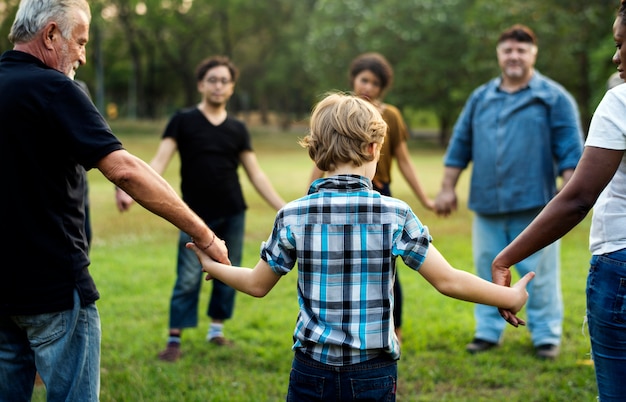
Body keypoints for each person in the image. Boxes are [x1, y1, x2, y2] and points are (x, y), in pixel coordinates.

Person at [188, 92, 534, 402]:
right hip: (372, 372)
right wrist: (510, 297)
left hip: (311, 370)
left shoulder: (292, 215)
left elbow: (255, 284)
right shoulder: (395, 214)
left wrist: (212, 265)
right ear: (372, 149)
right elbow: (448, 281)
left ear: (316, 152)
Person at [0, 1, 229, 400]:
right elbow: (124, 170)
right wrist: (205, 236)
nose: (83, 57)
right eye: (81, 42)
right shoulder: (55, 88)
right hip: (53, 289)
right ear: (51, 34)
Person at [492, 3, 626, 399]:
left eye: (621, 44)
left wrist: (506, 258)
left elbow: (578, 199)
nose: (616, 56)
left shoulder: (620, 102)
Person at [115, 56, 285, 362]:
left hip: (232, 211)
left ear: (232, 87)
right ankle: (173, 339)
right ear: (200, 84)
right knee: (188, 276)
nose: (218, 86)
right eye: (212, 80)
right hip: (192, 216)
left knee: (228, 273)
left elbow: (255, 173)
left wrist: (283, 208)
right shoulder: (182, 121)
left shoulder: (237, 128)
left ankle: (216, 331)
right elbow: (159, 162)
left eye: (224, 81)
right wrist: (131, 189)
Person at [434, 24, 584, 359]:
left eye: (521, 50)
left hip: (536, 207)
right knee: (486, 269)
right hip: (487, 203)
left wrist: (570, 193)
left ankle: (546, 336)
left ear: (533, 53)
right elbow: (460, 145)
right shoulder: (481, 98)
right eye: (507, 50)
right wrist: (447, 188)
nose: (514, 55)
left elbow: (570, 151)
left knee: (539, 274)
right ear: (499, 55)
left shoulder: (553, 97)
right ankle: (488, 332)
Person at [308, 52, 435, 342]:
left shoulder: (389, 116)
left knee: (388, 267)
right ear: (354, 78)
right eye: (364, 79)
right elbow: (319, 160)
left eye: (375, 83)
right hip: (337, 191)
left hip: (379, 192)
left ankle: (394, 327)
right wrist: (309, 194)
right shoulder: (338, 115)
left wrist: (425, 198)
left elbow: (404, 160)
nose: (368, 86)